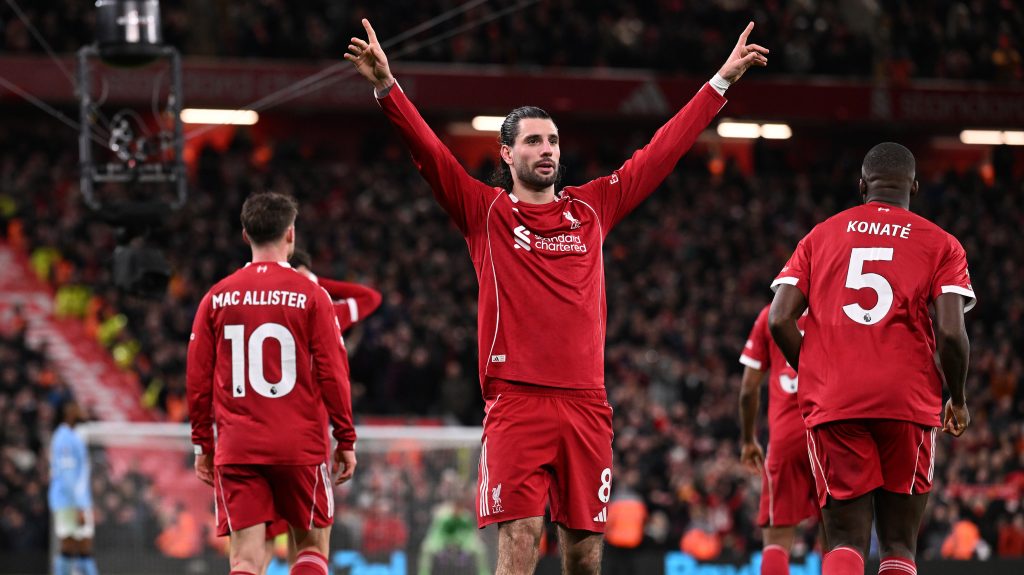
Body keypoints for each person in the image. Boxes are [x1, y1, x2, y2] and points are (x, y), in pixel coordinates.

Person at [345, 17, 768, 575]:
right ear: (506, 154)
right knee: (520, 542)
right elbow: (431, 154)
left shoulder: (592, 208)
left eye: (552, 140)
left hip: (587, 404)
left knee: (585, 557)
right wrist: (387, 87)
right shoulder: (485, 212)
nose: (547, 150)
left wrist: (720, 82)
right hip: (516, 402)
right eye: (533, 141)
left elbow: (659, 153)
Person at [768, 143, 974, 575]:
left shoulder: (820, 235)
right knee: (899, 544)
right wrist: (957, 398)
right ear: (914, 187)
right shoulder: (942, 244)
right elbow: (952, 334)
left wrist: (816, 373)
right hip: (907, 401)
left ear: (862, 186)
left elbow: (779, 318)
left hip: (836, 400)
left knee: (845, 540)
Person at [187, 192, 358, 575]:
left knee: (246, 559)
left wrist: (202, 445)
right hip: (300, 445)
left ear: (245, 235)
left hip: (238, 446)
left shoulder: (216, 297)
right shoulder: (312, 295)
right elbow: (333, 372)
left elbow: (197, 380)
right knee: (311, 548)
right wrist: (345, 438)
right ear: (290, 234)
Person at [260, 248, 382, 574]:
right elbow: (369, 298)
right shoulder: (325, 309)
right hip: (304, 434)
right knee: (309, 538)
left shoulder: (263, 309)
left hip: (260, 429)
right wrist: (316, 282)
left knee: (260, 544)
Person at [738, 305, 821, 575]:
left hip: (786, 437)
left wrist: (748, 440)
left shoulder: (770, 314)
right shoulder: (834, 306)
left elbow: (748, 390)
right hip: (828, 431)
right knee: (839, 536)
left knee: (776, 539)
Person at [48, 400, 100, 575]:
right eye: (77, 408)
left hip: (72, 500)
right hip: (70, 501)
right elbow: (67, 475)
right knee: (75, 545)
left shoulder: (70, 436)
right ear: (69, 412)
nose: (81, 411)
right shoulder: (64, 438)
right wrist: (78, 506)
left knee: (77, 546)